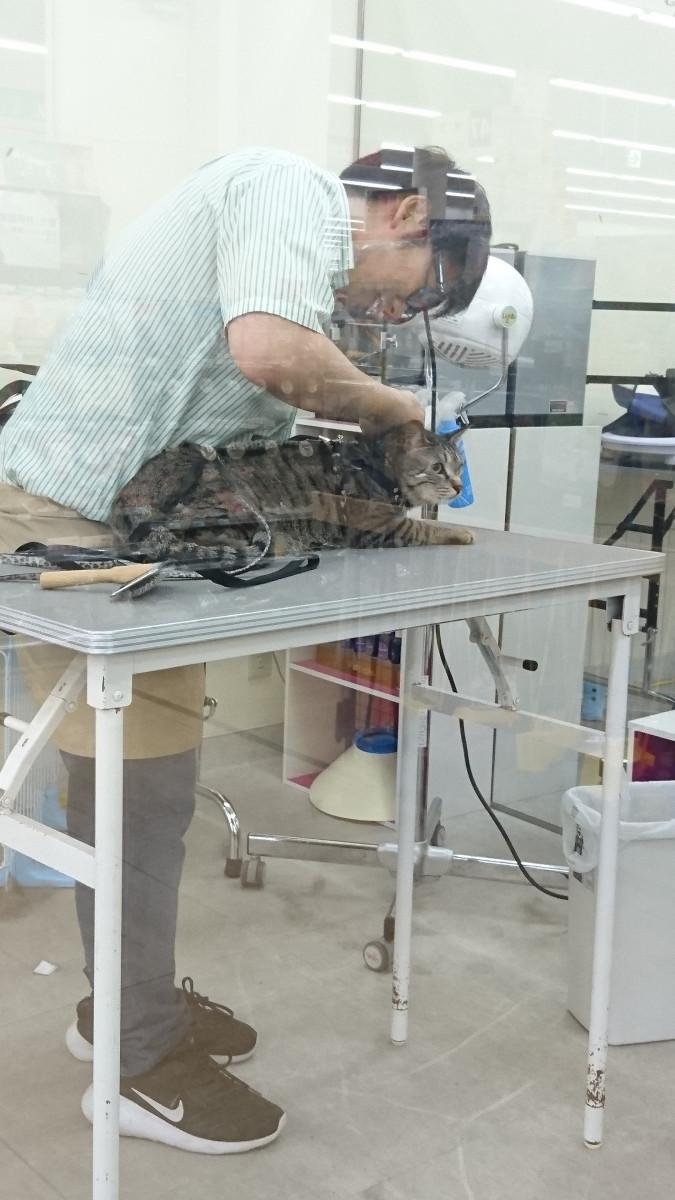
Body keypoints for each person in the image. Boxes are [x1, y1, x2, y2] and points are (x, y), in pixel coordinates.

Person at [0, 144, 491, 1155]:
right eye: (419, 290)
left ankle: (120, 1008)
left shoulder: (290, 256)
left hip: (134, 523)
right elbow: (269, 352)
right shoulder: (284, 187)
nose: (394, 313)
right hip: (74, 521)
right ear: (406, 214)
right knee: (138, 800)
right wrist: (398, 408)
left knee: (144, 792)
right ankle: (138, 1062)